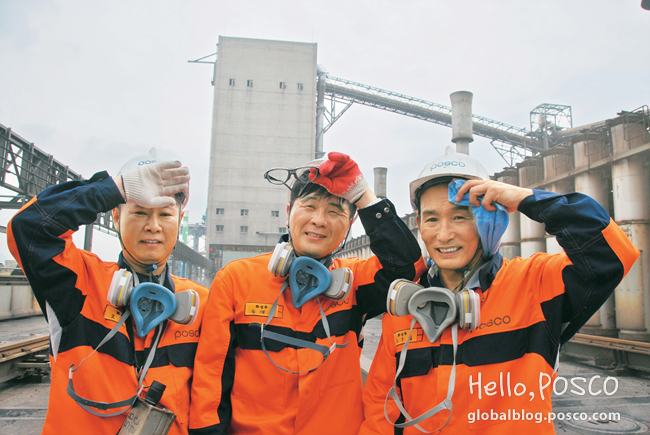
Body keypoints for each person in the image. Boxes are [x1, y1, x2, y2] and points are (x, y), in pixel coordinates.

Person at [360, 146, 640, 434]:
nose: (443, 234)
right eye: (431, 219)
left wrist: (527, 199)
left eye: (460, 217)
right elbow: (381, 408)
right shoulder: (407, 307)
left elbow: (613, 255)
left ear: (489, 219)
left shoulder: (534, 285)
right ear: (418, 224)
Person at [188, 152, 426, 435]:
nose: (319, 220)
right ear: (289, 211)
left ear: (350, 225)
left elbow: (408, 268)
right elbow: (211, 379)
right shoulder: (236, 280)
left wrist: (364, 197)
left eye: (335, 211)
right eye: (309, 206)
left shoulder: (355, 282)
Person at [7, 148, 210, 435]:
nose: (153, 226)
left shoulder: (201, 302)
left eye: (165, 214)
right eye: (139, 212)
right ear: (115, 216)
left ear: (179, 219)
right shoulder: (79, 282)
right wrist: (115, 188)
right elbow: (30, 228)